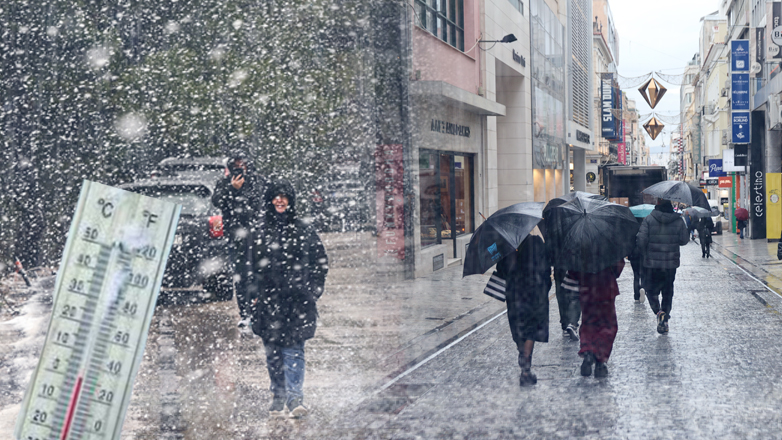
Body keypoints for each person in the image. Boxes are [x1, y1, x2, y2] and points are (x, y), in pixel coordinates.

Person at [251, 180, 328, 417]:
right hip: (268, 301)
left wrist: (312, 290)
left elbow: (320, 261)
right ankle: (278, 395)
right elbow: (249, 268)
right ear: (269, 200)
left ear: (291, 200)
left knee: (294, 349)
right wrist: (252, 296)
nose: (280, 200)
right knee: (273, 352)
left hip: (297, 301)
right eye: (276, 196)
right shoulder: (260, 230)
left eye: (284, 196)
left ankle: (295, 398)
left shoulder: (303, 229)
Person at [211, 151, 269, 329]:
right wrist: (232, 189)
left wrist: (244, 191)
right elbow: (217, 201)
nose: (239, 168)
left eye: (242, 164)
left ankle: (259, 311)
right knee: (241, 276)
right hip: (235, 237)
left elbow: (260, 203)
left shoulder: (258, 181)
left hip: (257, 235)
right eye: (235, 165)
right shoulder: (224, 184)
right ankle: (245, 313)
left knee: (260, 275)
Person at [496, 234, 552, 386]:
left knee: (519, 328)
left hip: (515, 294)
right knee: (530, 329)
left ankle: (523, 356)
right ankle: (526, 367)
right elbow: (546, 267)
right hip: (535, 293)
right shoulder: (536, 242)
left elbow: (501, 270)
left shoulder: (506, 246)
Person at [636, 199, 689, 334]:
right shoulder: (678, 220)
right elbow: (684, 240)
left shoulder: (648, 220)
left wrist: (644, 253)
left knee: (651, 291)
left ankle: (658, 312)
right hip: (670, 264)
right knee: (667, 291)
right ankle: (665, 317)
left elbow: (641, 241)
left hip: (651, 264)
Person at [571, 258, 624, 378]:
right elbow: (618, 263)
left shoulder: (580, 242)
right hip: (606, 286)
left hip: (586, 288)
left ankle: (588, 349)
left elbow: (572, 267)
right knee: (608, 324)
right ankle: (600, 359)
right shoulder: (609, 242)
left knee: (588, 322)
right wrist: (612, 273)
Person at [554, 267, 580, 341]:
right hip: (575, 262)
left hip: (559, 261)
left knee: (561, 292)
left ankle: (566, 323)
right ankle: (572, 323)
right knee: (575, 292)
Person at [628, 216, 645, 304]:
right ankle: (642, 288)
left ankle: (636, 296)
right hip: (642, 254)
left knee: (636, 275)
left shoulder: (630, 228)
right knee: (643, 274)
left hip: (633, 255)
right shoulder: (644, 228)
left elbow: (628, 242)